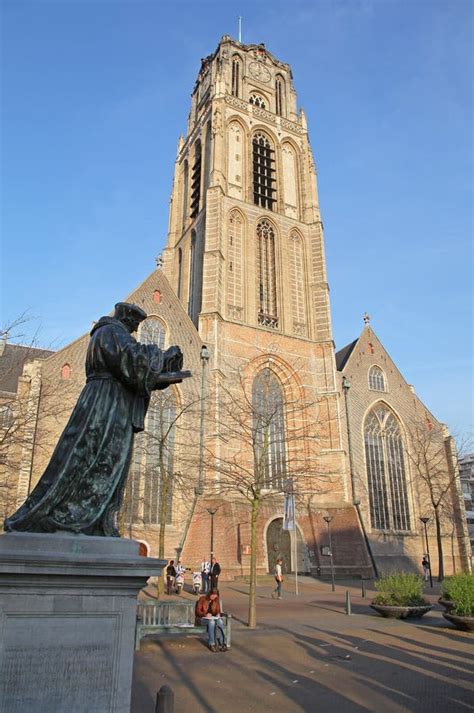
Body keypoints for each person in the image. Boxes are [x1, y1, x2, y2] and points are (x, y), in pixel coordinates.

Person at [4, 302, 186, 536]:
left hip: (113, 403)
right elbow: (130, 362)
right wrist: (163, 355)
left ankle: (94, 518)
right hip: (107, 404)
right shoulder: (110, 333)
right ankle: (70, 516)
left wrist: (163, 373)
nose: (134, 330)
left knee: (107, 461)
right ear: (126, 320)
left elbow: (133, 370)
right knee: (93, 457)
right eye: (133, 325)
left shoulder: (113, 333)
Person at [195, 588, 228, 652]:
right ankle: (212, 644)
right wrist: (205, 614)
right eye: (213, 595)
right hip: (202, 619)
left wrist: (218, 614)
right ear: (209, 594)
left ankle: (222, 643)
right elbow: (198, 611)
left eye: (215, 596)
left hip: (212, 618)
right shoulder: (202, 599)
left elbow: (218, 610)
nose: (214, 597)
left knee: (220, 621)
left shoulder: (216, 600)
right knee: (212, 622)